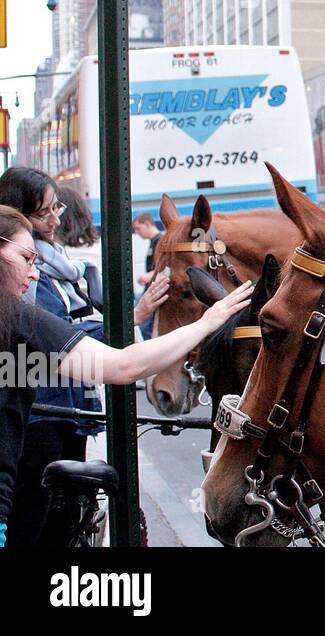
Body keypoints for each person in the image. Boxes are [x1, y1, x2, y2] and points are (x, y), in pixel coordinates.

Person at [0, 204, 252, 547]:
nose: (34, 273)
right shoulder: (18, 321)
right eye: (27, 258)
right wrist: (208, 321)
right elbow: (124, 366)